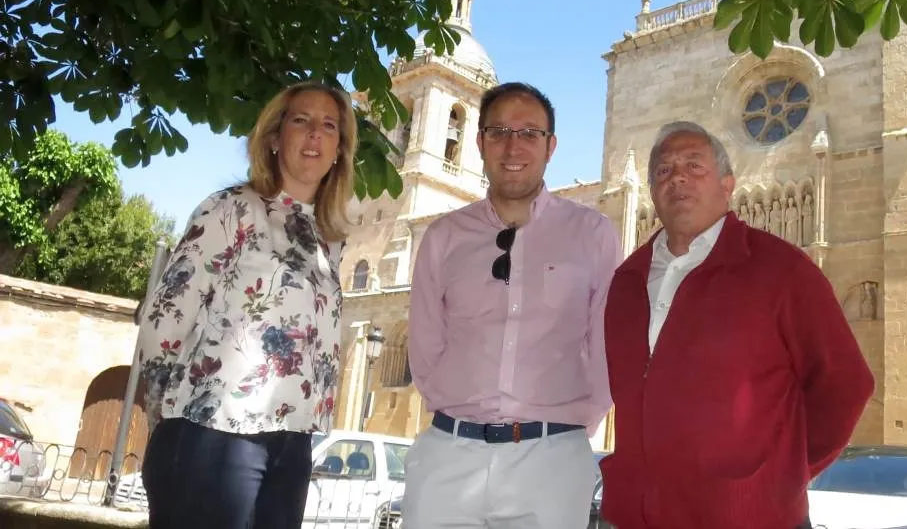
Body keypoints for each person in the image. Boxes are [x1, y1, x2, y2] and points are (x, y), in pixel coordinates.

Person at [599, 121, 874, 529]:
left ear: (727, 185)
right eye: (663, 170)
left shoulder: (782, 270)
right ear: (652, 191)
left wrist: (776, 478)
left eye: (695, 166)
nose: (677, 177)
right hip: (628, 518)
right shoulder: (624, 281)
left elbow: (845, 385)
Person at [137, 80, 357, 529]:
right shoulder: (231, 209)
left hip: (292, 441)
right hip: (213, 430)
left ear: (339, 149)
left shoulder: (329, 240)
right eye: (302, 120)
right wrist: (166, 419)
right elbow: (166, 317)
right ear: (274, 137)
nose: (316, 132)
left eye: (329, 125)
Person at [404, 82, 621, 529]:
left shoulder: (592, 232)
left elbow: (604, 341)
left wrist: (574, 429)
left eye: (529, 133)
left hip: (552, 464)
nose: (513, 145)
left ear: (551, 146)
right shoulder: (443, 236)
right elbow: (424, 344)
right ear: (480, 142)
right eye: (499, 131)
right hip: (449, 456)